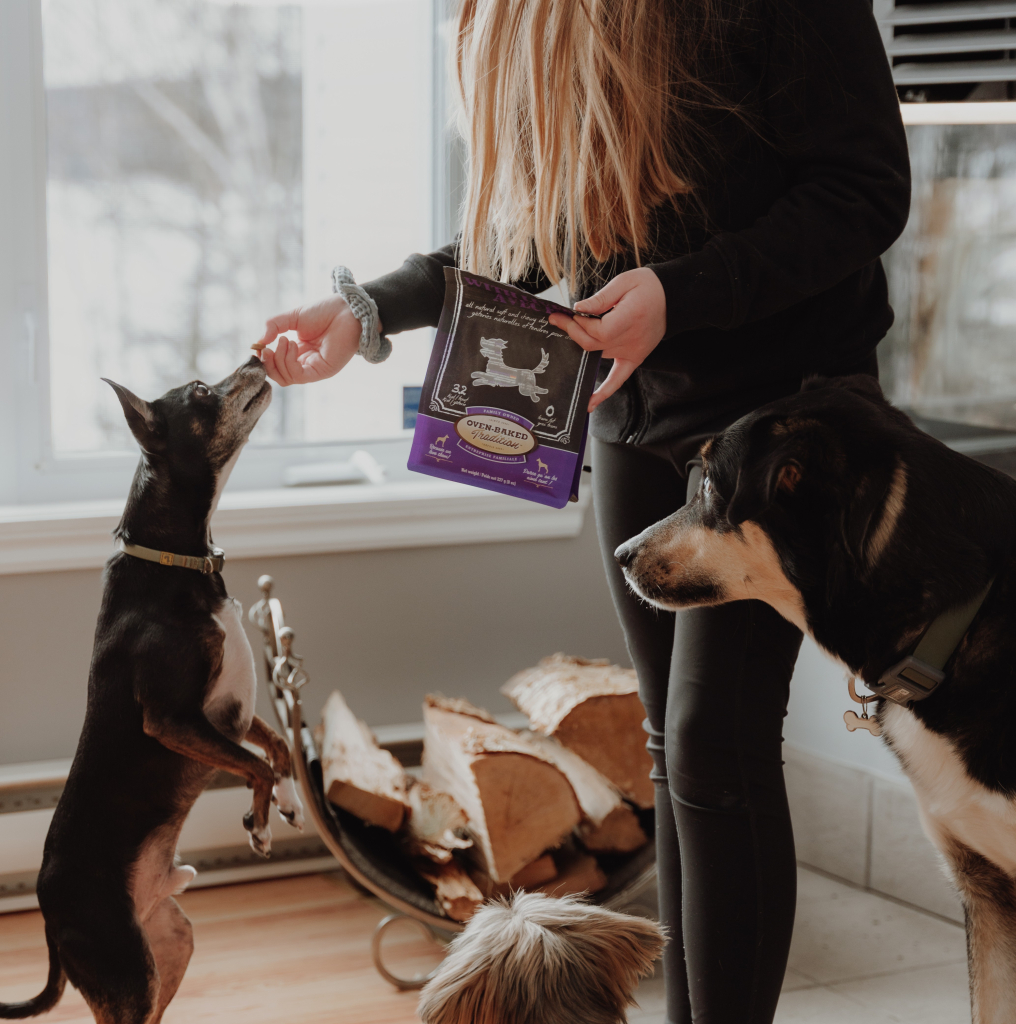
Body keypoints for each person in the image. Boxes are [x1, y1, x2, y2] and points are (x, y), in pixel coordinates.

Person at [256, 1, 910, 1020]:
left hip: (778, 431)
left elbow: (864, 191)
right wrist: (365, 311)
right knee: (673, 746)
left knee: (711, 745)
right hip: (634, 415)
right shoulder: (535, 14)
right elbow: (531, 230)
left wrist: (678, 294)